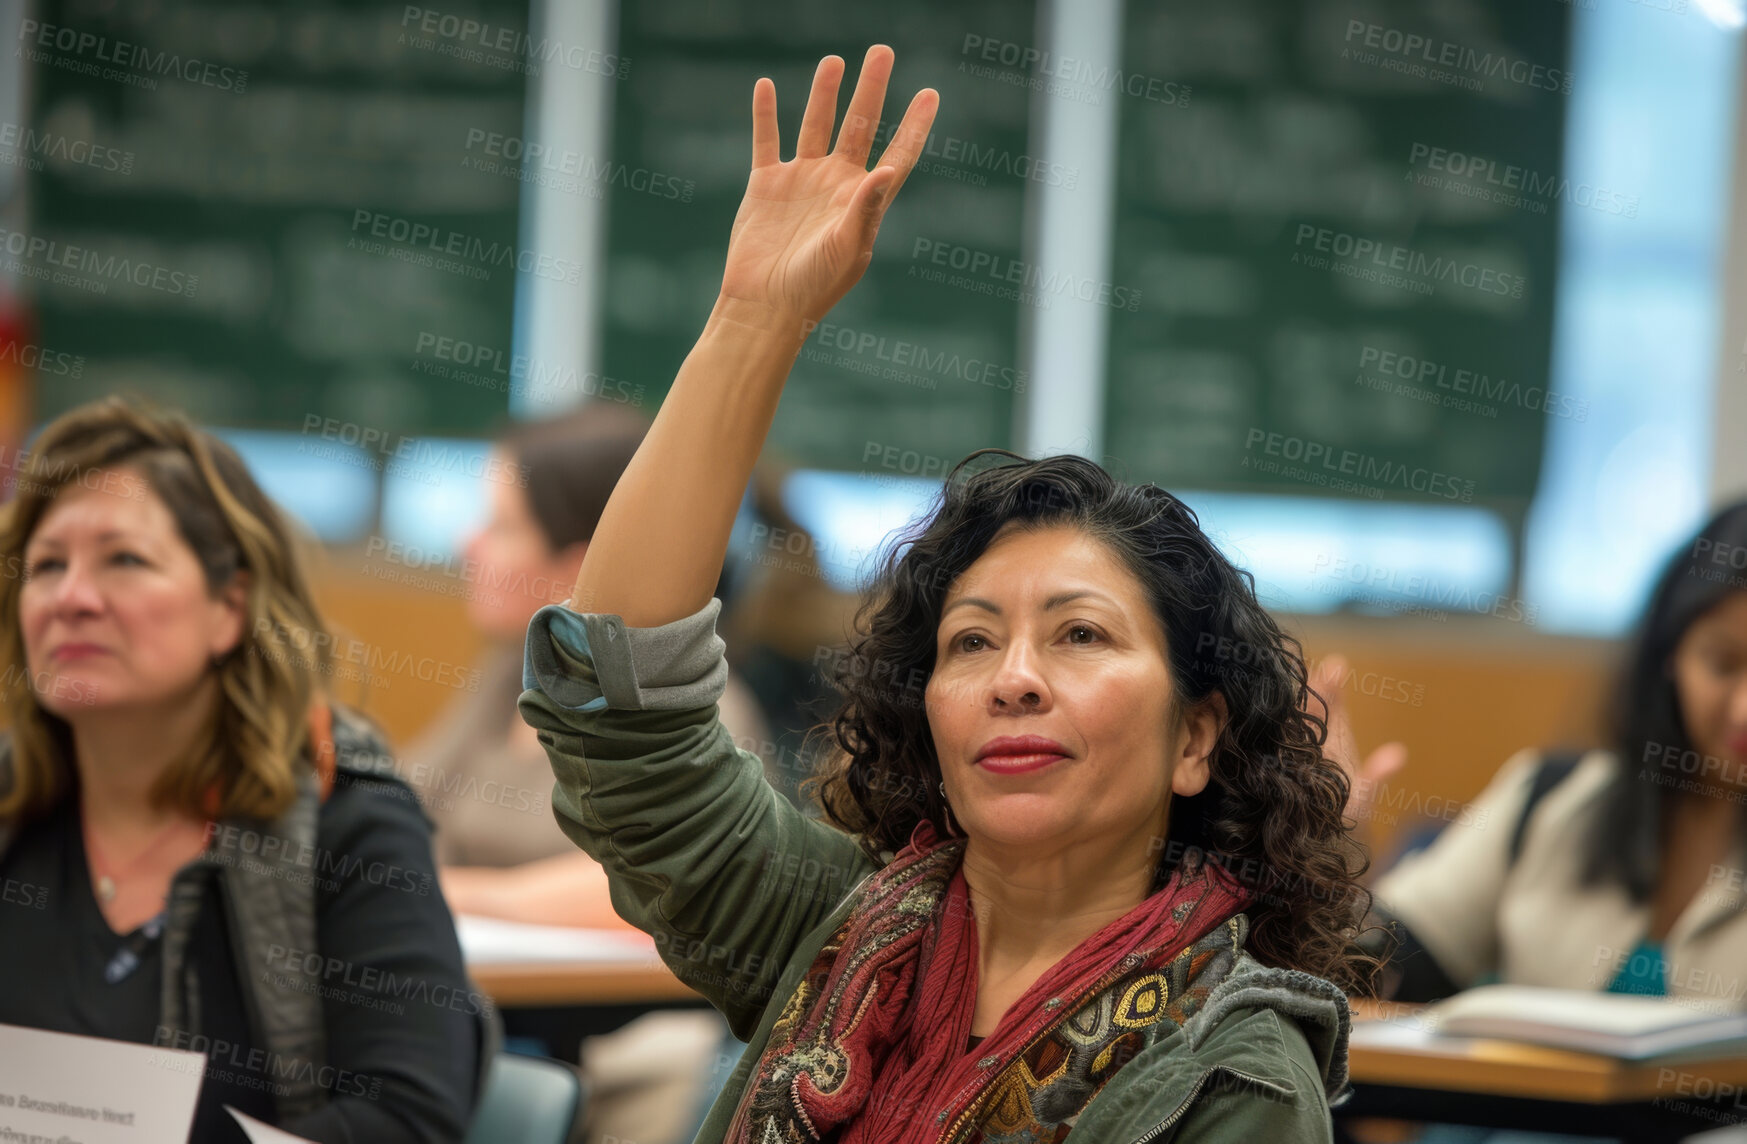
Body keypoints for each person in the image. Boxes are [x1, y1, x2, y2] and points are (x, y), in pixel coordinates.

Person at [515, 46, 1363, 1141]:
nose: (1013, 678)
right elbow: (622, 720)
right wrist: (752, 321)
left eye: (1080, 635)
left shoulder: (1232, 1076)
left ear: (1196, 735)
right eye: (970, 643)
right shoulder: (838, 931)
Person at [0, 398, 481, 1143]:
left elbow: (406, 1120)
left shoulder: (343, 821)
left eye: (124, 560)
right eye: (47, 565)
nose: (72, 598)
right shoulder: (14, 808)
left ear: (230, 606)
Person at [400, 405, 759, 1144]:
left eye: (499, 527)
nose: (469, 546)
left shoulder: (694, 709)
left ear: (579, 561)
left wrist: (456, 890)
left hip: (630, 1050)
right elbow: (402, 815)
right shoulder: (509, 673)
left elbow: (659, 888)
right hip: (475, 1011)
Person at [1364, 502, 1747, 1008]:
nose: (1743, 710)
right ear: (1669, 658)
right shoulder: (1552, 796)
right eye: (1721, 664)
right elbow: (1382, 963)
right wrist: (1328, 861)